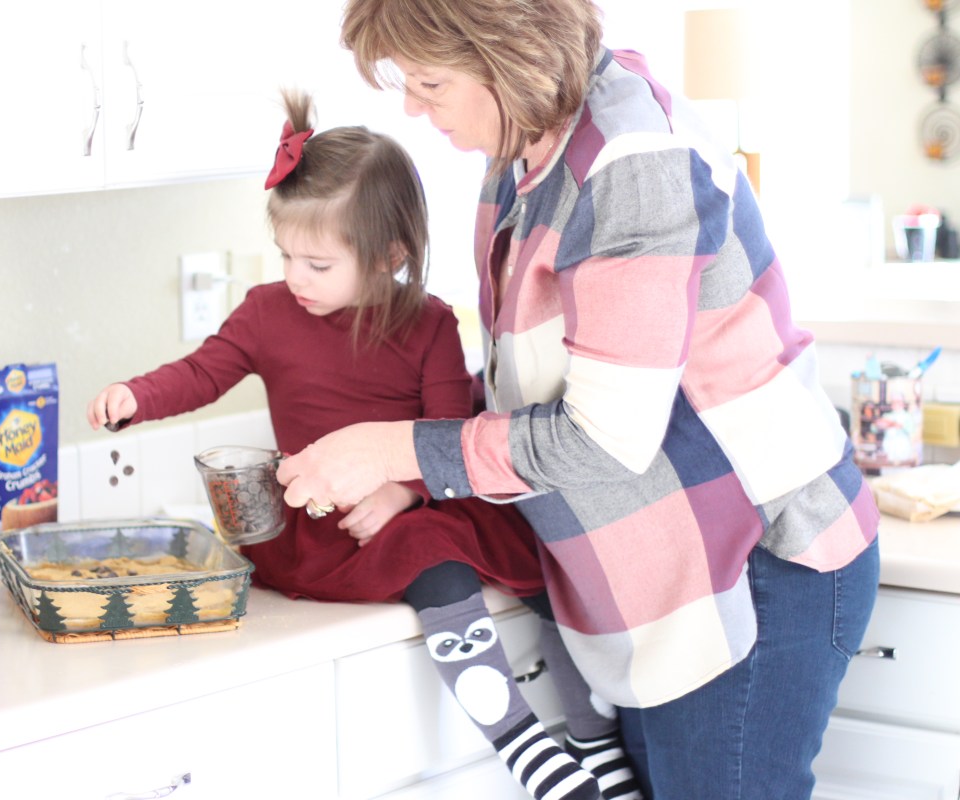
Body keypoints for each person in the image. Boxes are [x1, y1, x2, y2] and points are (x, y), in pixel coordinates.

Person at [274, 2, 882, 799]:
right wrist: (408, 469)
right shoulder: (524, 146)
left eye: (430, 82)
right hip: (661, 581)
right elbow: (529, 381)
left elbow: (603, 438)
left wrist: (391, 448)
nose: (414, 108)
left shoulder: (632, 163)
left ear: (505, 53)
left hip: (749, 569)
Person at [86, 89, 641, 800]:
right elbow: (202, 373)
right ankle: (525, 747)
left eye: (318, 264)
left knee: (544, 563)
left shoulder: (429, 325)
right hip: (326, 527)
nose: (295, 277)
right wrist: (136, 396)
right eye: (286, 255)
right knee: (434, 557)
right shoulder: (265, 313)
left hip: (420, 504)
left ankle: (594, 742)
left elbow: (448, 431)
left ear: (389, 255)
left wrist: (401, 490)